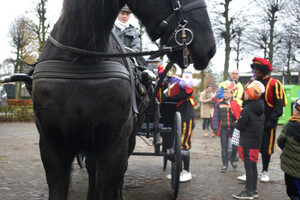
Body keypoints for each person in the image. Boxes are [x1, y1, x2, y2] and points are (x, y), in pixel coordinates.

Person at [237, 57, 287, 182]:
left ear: (263, 70)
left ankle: (265, 171)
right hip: (251, 123)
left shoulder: (275, 84)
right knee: (249, 147)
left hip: (267, 122)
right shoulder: (250, 83)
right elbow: (244, 101)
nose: (255, 71)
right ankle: (248, 171)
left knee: (266, 148)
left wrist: (271, 122)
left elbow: (279, 106)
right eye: (254, 68)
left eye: (257, 69)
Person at [160, 67, 196, 182]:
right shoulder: (165, 84)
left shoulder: (182, 84)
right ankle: (178, 171)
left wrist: (172, 97)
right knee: (175, 145)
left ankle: (186, 171)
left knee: (183, 145)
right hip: (174, 117)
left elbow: (186, 92)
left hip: (186, 116)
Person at [232, 80, 265, 200]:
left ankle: (248, 192)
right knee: (253, 166)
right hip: (256, 142)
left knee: (249, 167)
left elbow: (240, 125)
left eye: (246, 92)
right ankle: (254, 190)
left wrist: (236, 123)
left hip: (248, 141)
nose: (244, 94)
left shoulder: (247, 109)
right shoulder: (260, 106)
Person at [212, 82, 241, 172]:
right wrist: (215, 127)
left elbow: (239, 116)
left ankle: (233, 160)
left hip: (233, 128)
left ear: (232, 94)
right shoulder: (219, 103)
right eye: (224, 92)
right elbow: (215, 116)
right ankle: (225, 164)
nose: (225, 94)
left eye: (227, 92)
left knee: (234, 146)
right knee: (224, 147)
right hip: (223, 128)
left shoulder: (235, 103)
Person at [277, 98, 300, 200]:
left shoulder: (289, 126)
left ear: (295, 112)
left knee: (293, 192)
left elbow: (280, 141)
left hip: (291, 167)